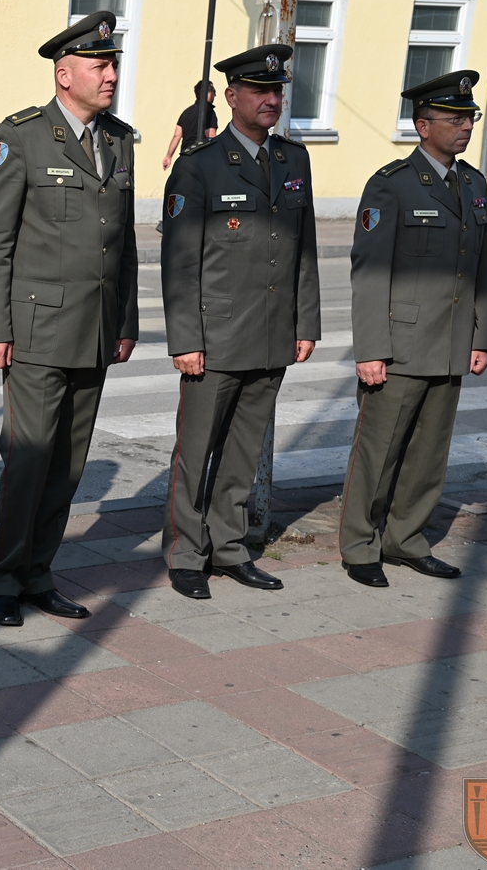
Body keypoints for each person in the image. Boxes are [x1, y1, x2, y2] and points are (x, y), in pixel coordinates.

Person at [0, 12, 139, 628]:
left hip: (95, 331)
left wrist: (126, 321)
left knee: (68, 466)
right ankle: (2, 579)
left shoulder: (118, 139)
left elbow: (123, 241)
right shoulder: (22, 136)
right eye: (100, 65)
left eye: (113, 64)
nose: (111, 74)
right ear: (64, 74)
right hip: (37, 332)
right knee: (28, 462)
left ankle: (39, 574)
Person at [158, 44, 321, 600]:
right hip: (216, 336)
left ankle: (228, 547)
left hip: (273, 333)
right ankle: (185, 553)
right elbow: (180, 261)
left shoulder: (294, 160)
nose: (271, 99)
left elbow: (304, 248)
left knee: (244, 451)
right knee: (196, 452)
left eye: (277, 91)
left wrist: (305, 323)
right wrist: (186, 339)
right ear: (231, 97)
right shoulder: (199, 164)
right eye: (259, 90)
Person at [338, 71, 487, 587]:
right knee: (378, 453)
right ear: (423, 126)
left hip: (450, 344)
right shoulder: (392, 183)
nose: (465, 126)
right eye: (454, 118)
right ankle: (360, 546)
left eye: (469, 117)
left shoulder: (473, 183)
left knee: (429, 454)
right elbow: (369, 272)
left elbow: (480, 268)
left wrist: (481, 336)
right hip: (399, 346)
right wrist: (370, 349)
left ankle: (406, 539)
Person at [163, 81, 219, 171]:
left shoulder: (186, 112)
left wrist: (168, 156)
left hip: (185, 158)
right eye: (214, 91)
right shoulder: (209, 112)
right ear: (207, 94)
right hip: (200, 159)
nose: (215, 95)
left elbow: (177, 135)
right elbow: (211, 137)